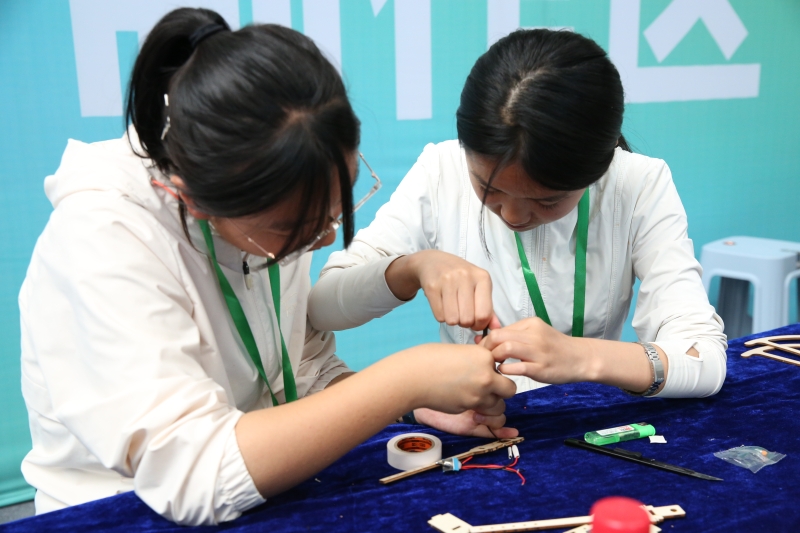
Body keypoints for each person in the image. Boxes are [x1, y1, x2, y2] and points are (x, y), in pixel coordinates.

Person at [19, 8, 516, 526]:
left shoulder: (266, 200)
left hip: (266, 491)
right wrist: (402, 381)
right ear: (192, 199)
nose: (325, 237)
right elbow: (195, 475)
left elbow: (298, 370)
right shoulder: (103, 240)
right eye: (292, 227)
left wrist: (411, 407)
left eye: (334, 209)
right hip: (121, 512)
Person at [309, 29, 727, 429]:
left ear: (598, 169)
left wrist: (581, 357)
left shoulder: (638, 183)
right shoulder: (441, 170)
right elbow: (323, 306)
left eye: (547, 201)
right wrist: (411, 268)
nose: (512, 215)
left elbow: (704, 359)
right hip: (477, 425)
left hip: (588, 426)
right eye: (488, 188)